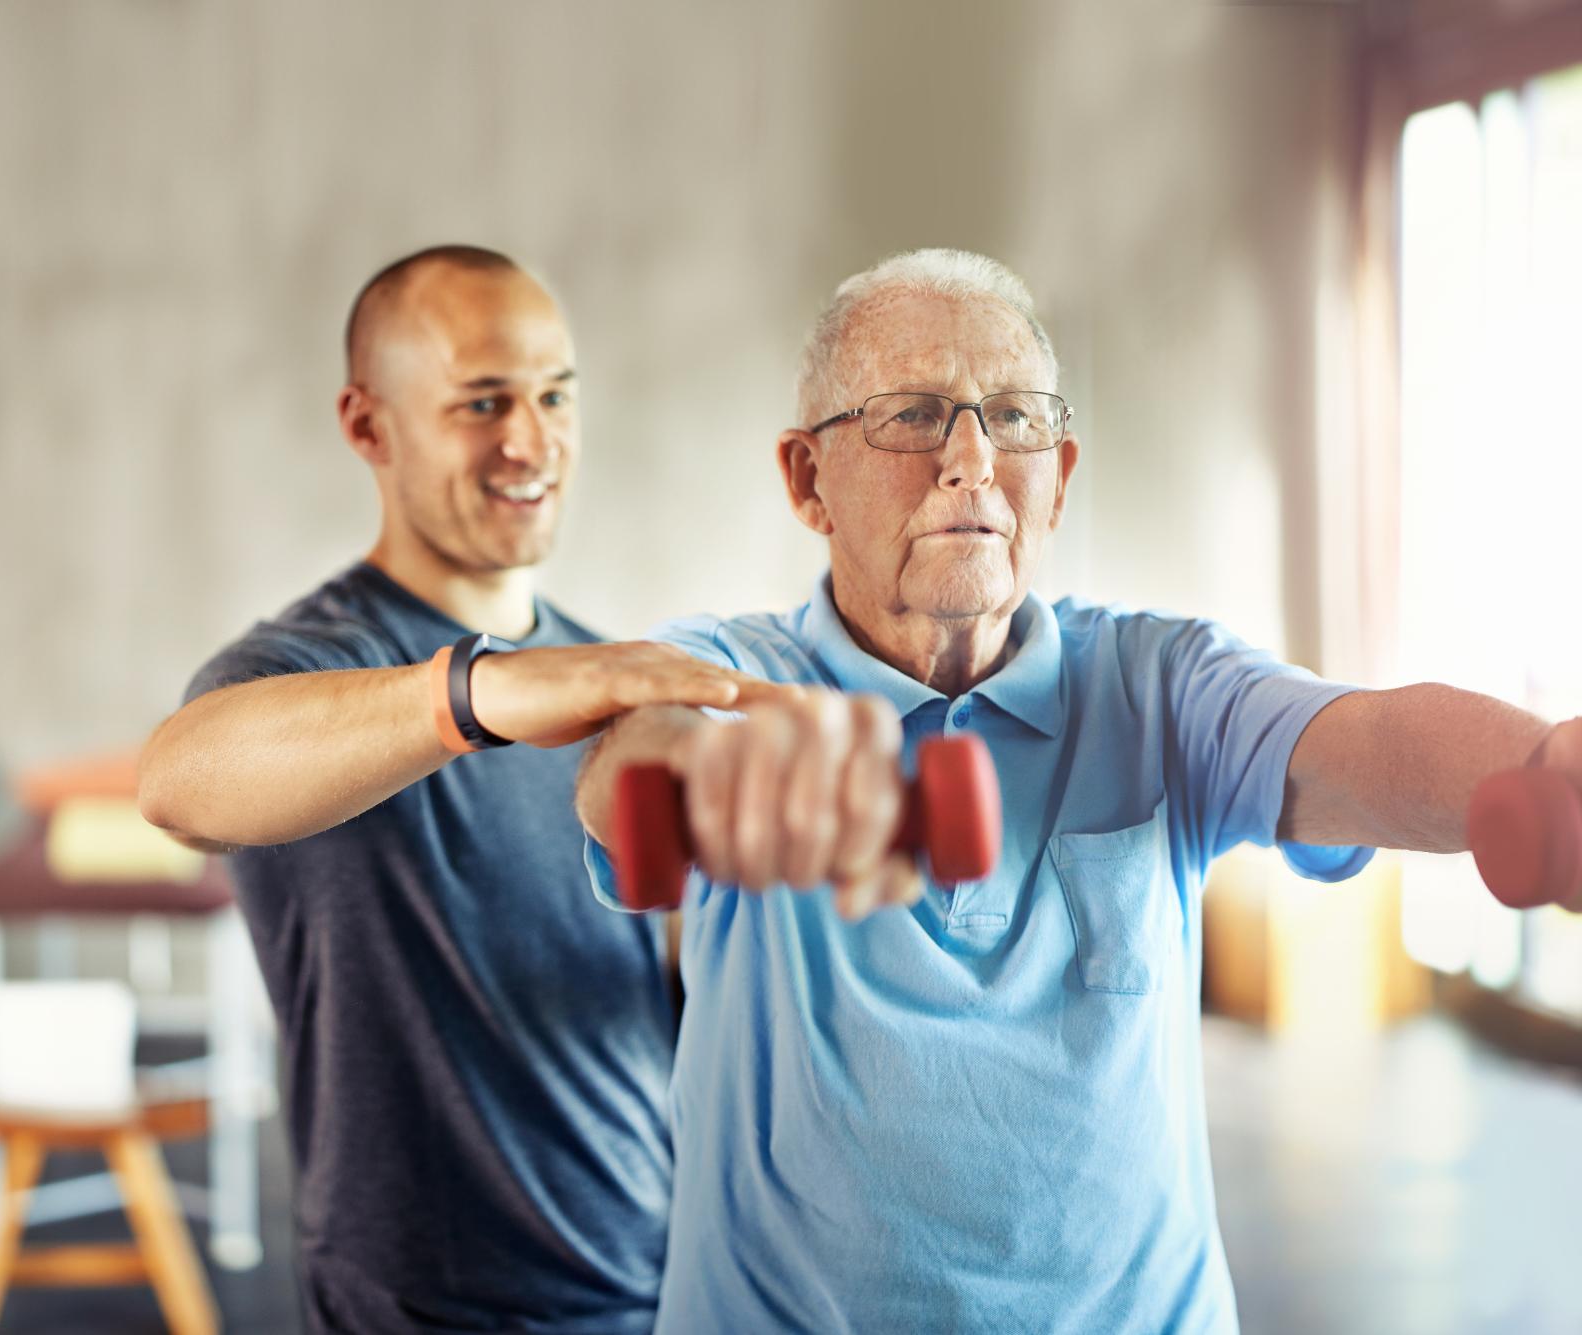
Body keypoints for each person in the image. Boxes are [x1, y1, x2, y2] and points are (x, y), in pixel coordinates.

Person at [574, 248, 1582, 1333]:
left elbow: (1365, 740)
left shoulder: (1161, 686)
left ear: (1055, 476)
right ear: (804, 479)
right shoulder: (733, 668)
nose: (969, 460)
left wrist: (1539, 773)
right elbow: (642, 742)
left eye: (1011, 419)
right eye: (911, 414)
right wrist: (708, 773)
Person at [138, 245, 772, 1334]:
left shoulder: (605, 676)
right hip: (430, 1311)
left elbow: (639, 991)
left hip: (660, 1286)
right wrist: (473, 699)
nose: (529, 441)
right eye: (481, 402)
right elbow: (178, 780)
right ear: (367, 426)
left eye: (552, 394)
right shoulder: (308, 665)